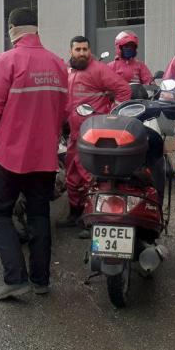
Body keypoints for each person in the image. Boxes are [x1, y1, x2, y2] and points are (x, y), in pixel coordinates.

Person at [0, 8, 69, 300]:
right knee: (39, 215)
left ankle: (15, 278)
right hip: (44, 157)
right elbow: (64, 111)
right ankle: (41, 280)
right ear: (35, 29)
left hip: (9, 156)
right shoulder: (57, 63)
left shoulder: (8, 61)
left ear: (12, 28)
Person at [60, 36, 131, 232]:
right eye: (78, 49)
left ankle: (91, 219)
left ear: (89, 51)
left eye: (85, 49)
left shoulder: (99, 69)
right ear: (71, 51)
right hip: (74, 135)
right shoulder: (68, 72)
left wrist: (112, 116)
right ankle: (75, 214)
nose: (82, 53)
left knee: (90, 177)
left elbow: (123, 89)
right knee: (72, 176)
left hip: (94, 138)